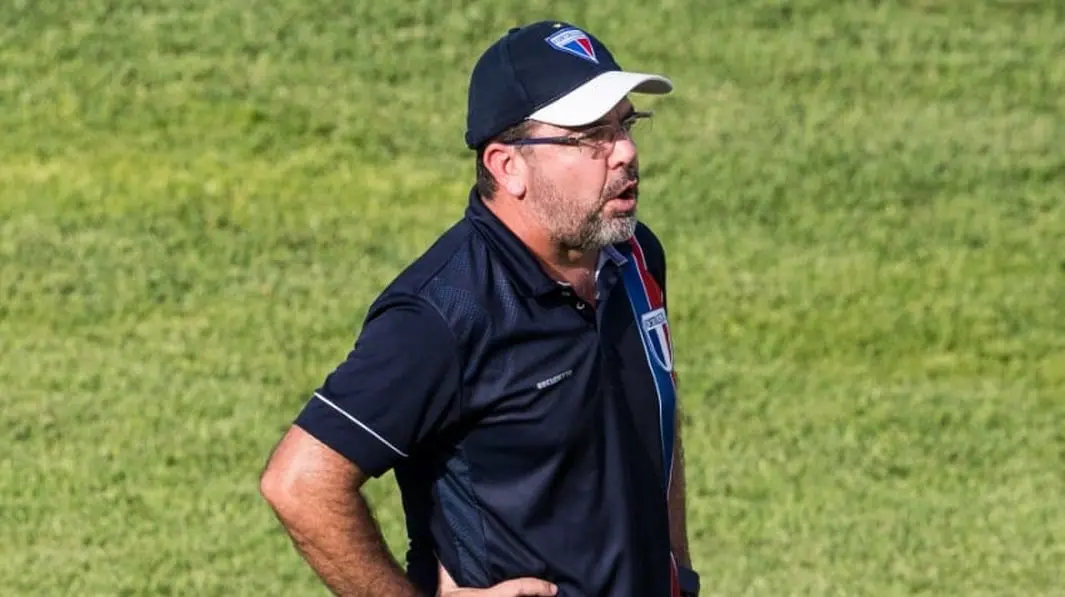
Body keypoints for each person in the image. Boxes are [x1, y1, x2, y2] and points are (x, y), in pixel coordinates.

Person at [259, 19, 700, 597]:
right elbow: (300, 483)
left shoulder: (633, 256)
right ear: (506, 166)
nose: (624, 152)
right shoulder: (441, 314)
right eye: (589, 134)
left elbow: (654, 424)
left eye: (625, 124)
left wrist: (681, 574)